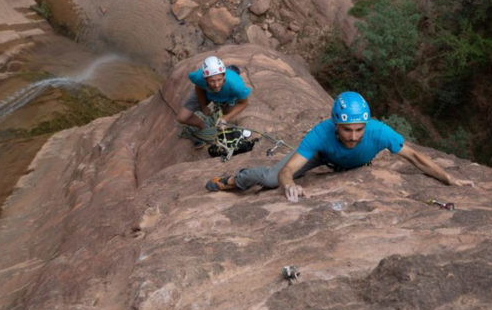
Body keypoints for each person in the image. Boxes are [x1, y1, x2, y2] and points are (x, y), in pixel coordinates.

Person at [205, 91, 469, 202]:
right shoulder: (321, 134)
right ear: (335, 125)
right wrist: (290, 185)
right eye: (346, 130)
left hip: (350, 164)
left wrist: (449, 179)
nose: (353, 136)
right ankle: (234, 180)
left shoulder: (378, 132)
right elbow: (289, 170)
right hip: (324, 157)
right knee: (271, 179)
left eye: (358, 130)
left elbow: (415, 157)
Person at [176, 55, 251, 130]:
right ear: (205, 79)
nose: (216, 85)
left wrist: (226, 118)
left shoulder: (235, 85)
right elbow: (198, 87)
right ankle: (203, 125)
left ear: (224, 76)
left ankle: (232, 71)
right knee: (181, 118)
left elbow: (244, 103)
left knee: (226, 116)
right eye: (212, 81)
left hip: (228, 95)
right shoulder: (199, 77)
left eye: (219, 80)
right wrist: (203, 107)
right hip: (207, 92)